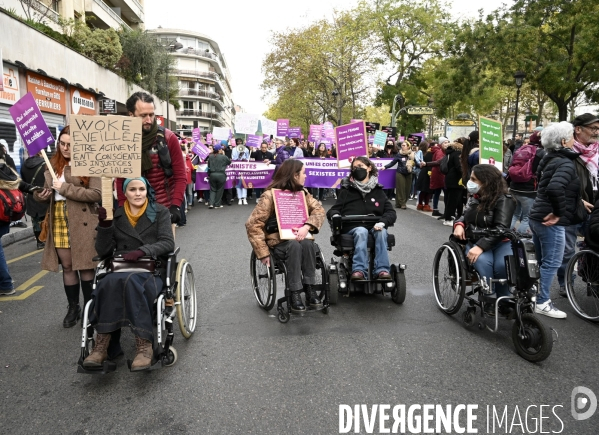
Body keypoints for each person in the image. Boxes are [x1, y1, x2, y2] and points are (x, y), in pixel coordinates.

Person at [83, 178, 175, 370]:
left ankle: (144, 345)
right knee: (106, 283)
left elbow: (168, 242)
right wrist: (104, 226)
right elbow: (103, 251)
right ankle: (102, 344)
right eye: (133, 189)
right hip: (121, 266)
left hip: (150, 268)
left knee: (131, 282)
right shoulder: (115, 214)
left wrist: (143, 250)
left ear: (147, 190)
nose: (138, 193)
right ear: (125, 192)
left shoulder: (160, 212)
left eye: (142, 189)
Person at [33, 126, 102, 327]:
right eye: (62, 143)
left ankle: (92, 308)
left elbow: (96, 194)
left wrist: (65, 188)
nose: (65, 148)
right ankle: (73, 308)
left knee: (86, 267)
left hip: (84, 221)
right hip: (59, 218)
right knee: (69, 266)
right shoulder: (52, 165)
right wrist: (41, 195)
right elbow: (47, 193)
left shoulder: (90, 163)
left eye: (70, 144)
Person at [245, 159, 325, 312]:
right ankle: (294, 291)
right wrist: (262, 253)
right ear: (295, 175)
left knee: (309, 245)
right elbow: (253, 224)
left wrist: (307, 226)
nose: (305, 176)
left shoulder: (303, 193)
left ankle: (309, 288)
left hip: (301, 237)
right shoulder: (269, 196)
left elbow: (319, 211)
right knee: (294, 246)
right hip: (278, 242)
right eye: (303, 173)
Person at [529, 122, 582, 319]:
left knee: (542, 261)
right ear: (563, 141)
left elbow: (549, 187)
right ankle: (542, 301)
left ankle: (533, 296)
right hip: (551, 220)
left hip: (537, 215)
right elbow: (554, 188)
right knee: (552, 262)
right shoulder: (565, 163)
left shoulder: (548, 159)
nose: (573, 140)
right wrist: (558, 213)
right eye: (571, 136)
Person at [453, 164, 516, 315]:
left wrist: (481, 246)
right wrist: (459, 224)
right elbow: (465, 216)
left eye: (474, 179)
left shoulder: (504, 199)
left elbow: (501, 229)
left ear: (486, 182)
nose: (470, 182)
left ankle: (505, 299)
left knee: (502, 266)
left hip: (500, 242)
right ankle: (489, 296)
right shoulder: (475, 198)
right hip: (475, 240)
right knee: (483, 262)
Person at [115, 92, 186, 224]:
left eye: (151, 115)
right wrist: (121, 206)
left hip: (163, 209)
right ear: (131, 114)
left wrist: (175, 206)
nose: (149, 120)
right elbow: (120, 178)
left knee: (162, 245)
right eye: (143, 116)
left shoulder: (169, 138)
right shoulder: (123, 139)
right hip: (132, 212)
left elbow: (181, 176)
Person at [327, 156, 397, 281]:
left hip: (374, 225)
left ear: (369, 168)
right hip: (352, 227)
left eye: (360, 167)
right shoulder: (347, 190)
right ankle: (359, 270)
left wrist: (382, 222)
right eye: (354, 168)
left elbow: (391, 212)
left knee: (381, 232)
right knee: (361, 231)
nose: (357, 169)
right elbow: (334, 209)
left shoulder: (378, 191)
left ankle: (382, 270)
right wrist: (335, 215)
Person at [556, 113, 598, 296]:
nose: (596, 132)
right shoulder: (566, 153)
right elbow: (555, 183)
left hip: (596, 207)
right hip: (572, 207)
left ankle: (593, 279)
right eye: (593, 128)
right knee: (566, 250)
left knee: (594, 245)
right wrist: (578, 200)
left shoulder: (597, 152)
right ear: (578, 129)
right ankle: (566, 282)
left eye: (598, 129)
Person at [0, 149, 39, 296]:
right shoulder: (6, 168)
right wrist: (34, 189)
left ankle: (6, 284)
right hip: (5, 216)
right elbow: (20, 184)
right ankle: (5, 284)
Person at [508, 131, 545, 235]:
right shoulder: (540, 152)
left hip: (514, 187)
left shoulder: (521, 149)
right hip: (529, 189)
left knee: (514, 214)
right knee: (526, 216)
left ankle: (506, 231)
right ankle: (522, 234)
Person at [20, 151, 49, 249]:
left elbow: (23, 182)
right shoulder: (45, 164)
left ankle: (39, 242)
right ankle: (47, 240)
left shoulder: (24, 165)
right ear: (40, 153)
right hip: (44, 195)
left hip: (31, 197)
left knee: (35, 221)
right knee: (46, 220)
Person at [382, 141, 414, 209]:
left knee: (407, 189)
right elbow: (393, 162)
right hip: (400, 173)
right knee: (401, 188)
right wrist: (385, 167)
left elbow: (416, 162)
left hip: (409, 173)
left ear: (408, 146)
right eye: (402, 145)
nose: (402, 146)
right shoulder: (399, 154)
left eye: (404, 145)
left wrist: (419, 164)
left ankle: (400, 203)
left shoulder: (412, 154)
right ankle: (402, 203)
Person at [420, 138, 447, 216]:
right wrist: (427, 164)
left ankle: (436, 209)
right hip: (440, 174)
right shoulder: (440, 152)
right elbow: (439, 162)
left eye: (448, 142)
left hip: (439, 173)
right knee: (443, 192)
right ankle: (441, 210)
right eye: (445, 142)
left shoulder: (441, 151)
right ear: (441, 144)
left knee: (438, 192)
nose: (447, 143)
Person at [442, 141, 464, 225]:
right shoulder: (457, 154)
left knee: (450, 200)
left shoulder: (450, 153)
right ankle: (449, 219)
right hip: (456, 180)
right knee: (453, 200)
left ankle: (448, 217)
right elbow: (459, 167)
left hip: (450, 178)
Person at [207, 143, 231, 209]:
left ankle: (211, 204)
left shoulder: (210, 156)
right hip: (221, 175)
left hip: (212, 175)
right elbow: (229, 162)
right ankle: (217, 204)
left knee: (212, 189)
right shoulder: (223, 157)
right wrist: (224, 155)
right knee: (219, 190)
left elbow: (208, 166)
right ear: (219, 150)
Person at [232, 140, 250, 205]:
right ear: (236, 143)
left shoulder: (246, 149)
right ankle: (239, 198)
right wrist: (239, 157)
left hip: (244, 168)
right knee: (238, 183)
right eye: (238, 142)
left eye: (240, 142)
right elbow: (233, 158)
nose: (239, 143)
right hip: (237, 168)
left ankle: (244, 198)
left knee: (244, 183)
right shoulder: (234, 149)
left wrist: (245, 159)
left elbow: (248, 158)